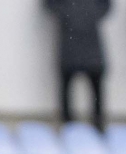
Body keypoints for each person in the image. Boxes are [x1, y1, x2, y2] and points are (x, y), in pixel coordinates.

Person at [46, 0, 109, 133]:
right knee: (66, 83)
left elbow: (106, 5)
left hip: (91, 40)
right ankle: (67, 124)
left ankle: (98, 123)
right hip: (69, 39)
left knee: (96, 82)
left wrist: (90, 14)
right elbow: (50, 4)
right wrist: (69, 14)